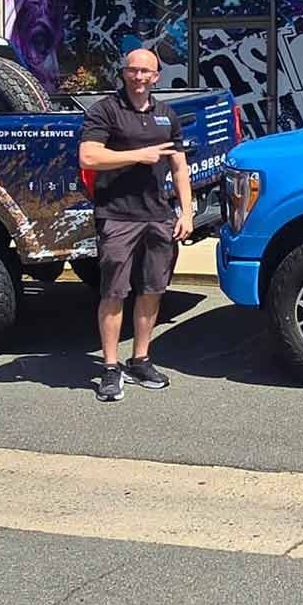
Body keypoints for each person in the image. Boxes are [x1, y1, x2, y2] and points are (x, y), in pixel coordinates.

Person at [78, 48, 193, 400]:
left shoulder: (166, 114)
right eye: (134, 71)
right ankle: (110, 368)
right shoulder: (106, 110)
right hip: (117, 215)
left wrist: (186, 212)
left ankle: (140, 359)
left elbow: (178, 167)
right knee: (114, 292)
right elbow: (88, 156)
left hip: (158, 216)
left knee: (152, 290)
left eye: (147, 72)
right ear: (124, 73)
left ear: (157, 77)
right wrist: (137, 156)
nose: (140, 77)